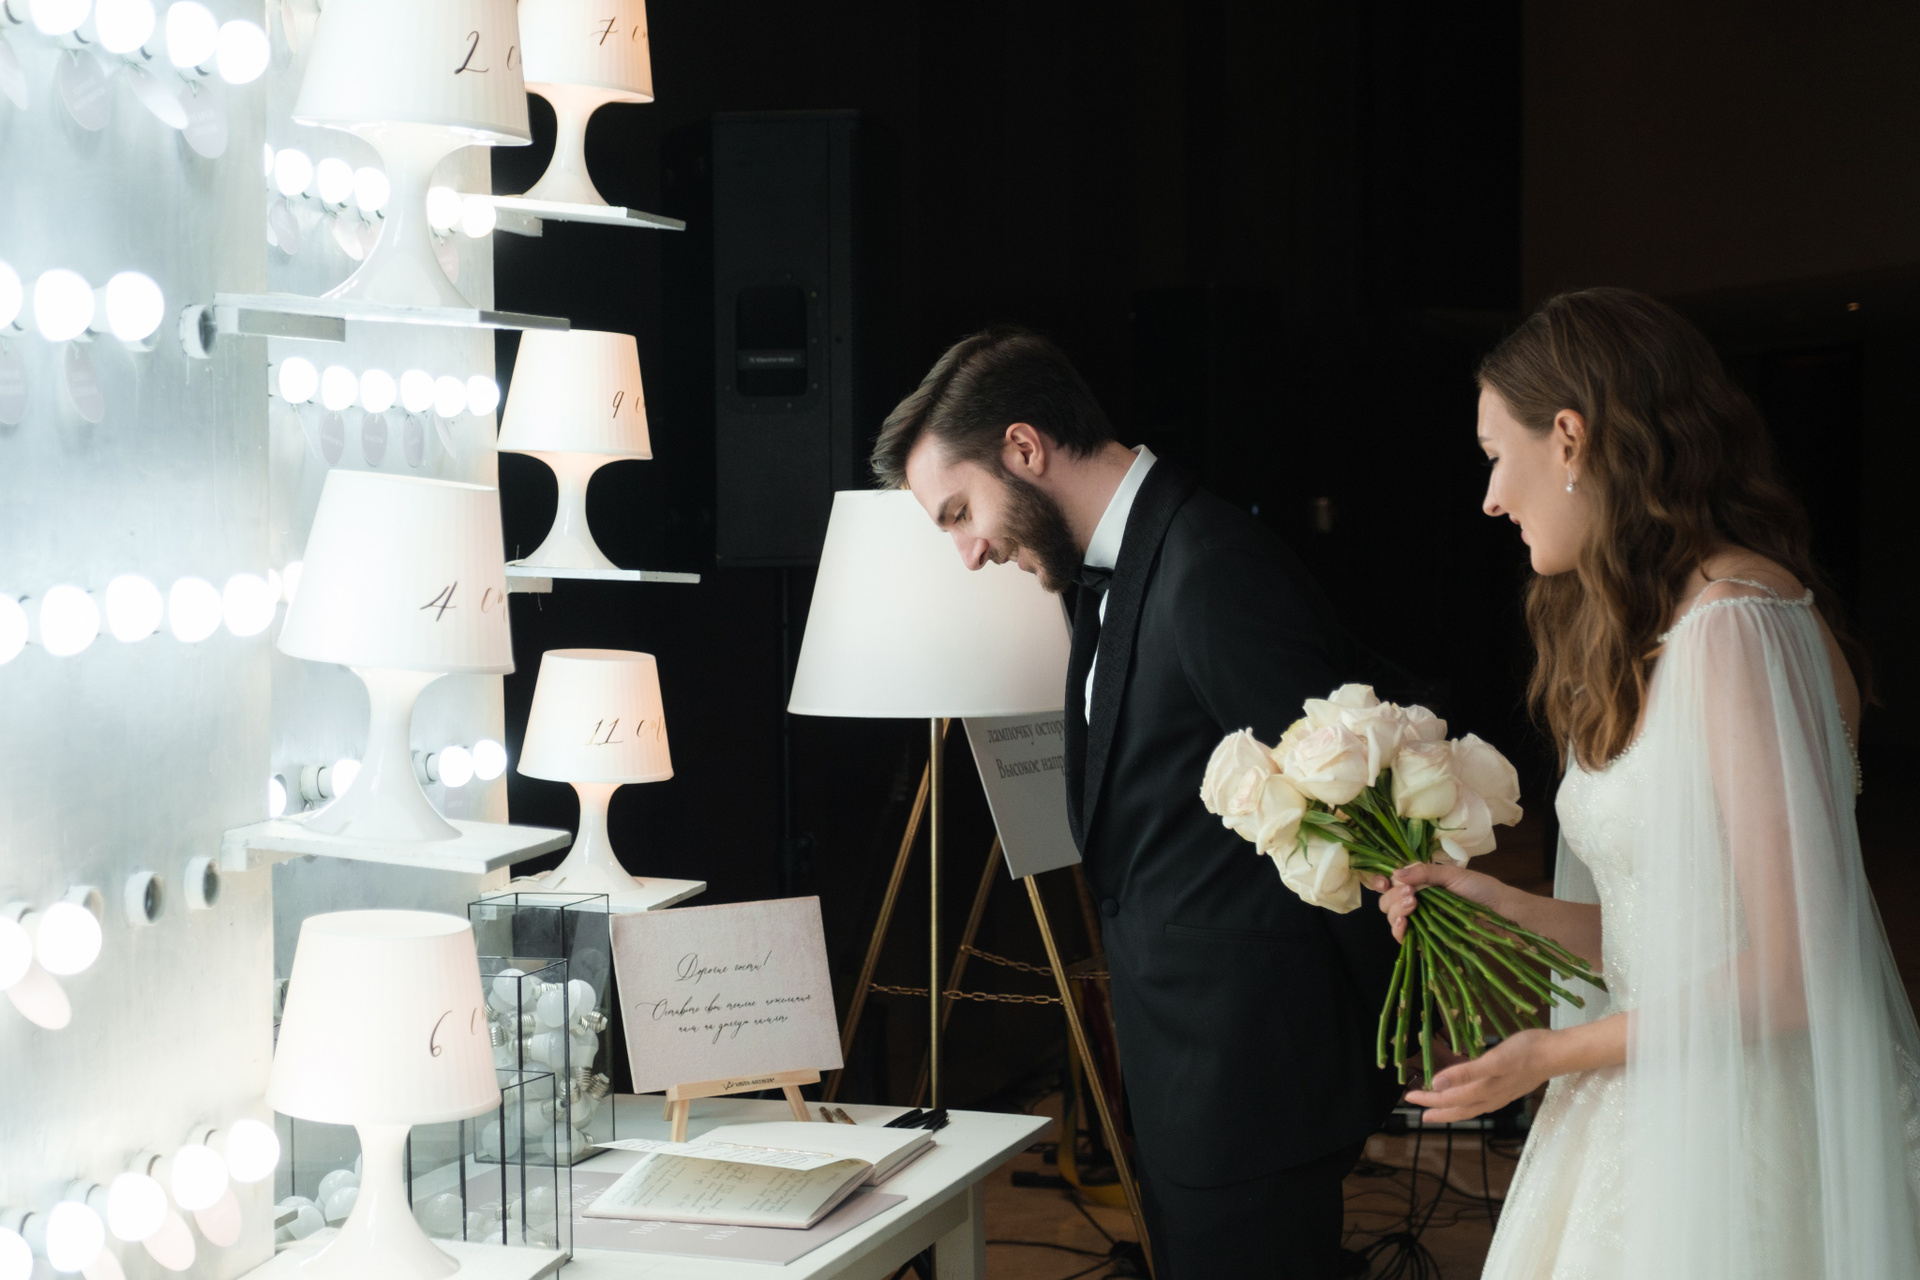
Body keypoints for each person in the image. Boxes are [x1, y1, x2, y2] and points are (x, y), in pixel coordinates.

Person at [1370, 287, 1920, 1278]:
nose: (1490, 497)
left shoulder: (1736, 628)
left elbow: (1794, 969)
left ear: (1569, 437)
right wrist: (1501, 904)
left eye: (1496, 453)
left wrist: (1546, 1055)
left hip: (1734, 1135)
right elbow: (1678, 932)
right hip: (1658, 1102)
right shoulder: (1679, 620)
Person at [872, 326, 1398, 1279]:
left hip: (1255, 1088)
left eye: (960, 512)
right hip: (1189, 1082)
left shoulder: (1210, 564)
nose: (969, 552)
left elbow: (1355, 812)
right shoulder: (1106, 574)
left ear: (1024, 448)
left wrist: (1401, 1037)